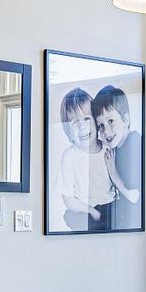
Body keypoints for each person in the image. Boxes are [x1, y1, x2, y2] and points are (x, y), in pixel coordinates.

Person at [54, 87, 112, 231]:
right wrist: (91, 211)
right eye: (75, 122)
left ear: (96, 121)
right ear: (68, 130)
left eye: (86, 119)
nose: (82, 126)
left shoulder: (108, 148)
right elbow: (68, 198)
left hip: (112, 208)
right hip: (86, 211)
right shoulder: (69, 157)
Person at [93, 84, 142, 230]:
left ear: (125, 120)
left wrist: (113, 172)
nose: (106, 130)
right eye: (100, 125)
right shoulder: (118, 146)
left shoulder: (134, 142)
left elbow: (134, 196)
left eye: (110, 121)